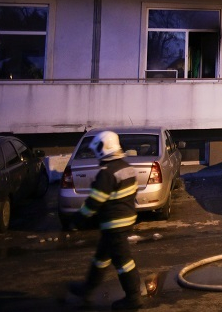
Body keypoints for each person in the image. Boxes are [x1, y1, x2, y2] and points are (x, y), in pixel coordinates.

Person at [68, 131, 143, 310]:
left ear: (104, 148)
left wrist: (78, 219)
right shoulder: (126, 167)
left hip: (114, 224)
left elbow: (95, 201)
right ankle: (87, 288)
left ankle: (133, 298)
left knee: (123, 262)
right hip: (124, 221)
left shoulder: (107, 173)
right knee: (101, 258)